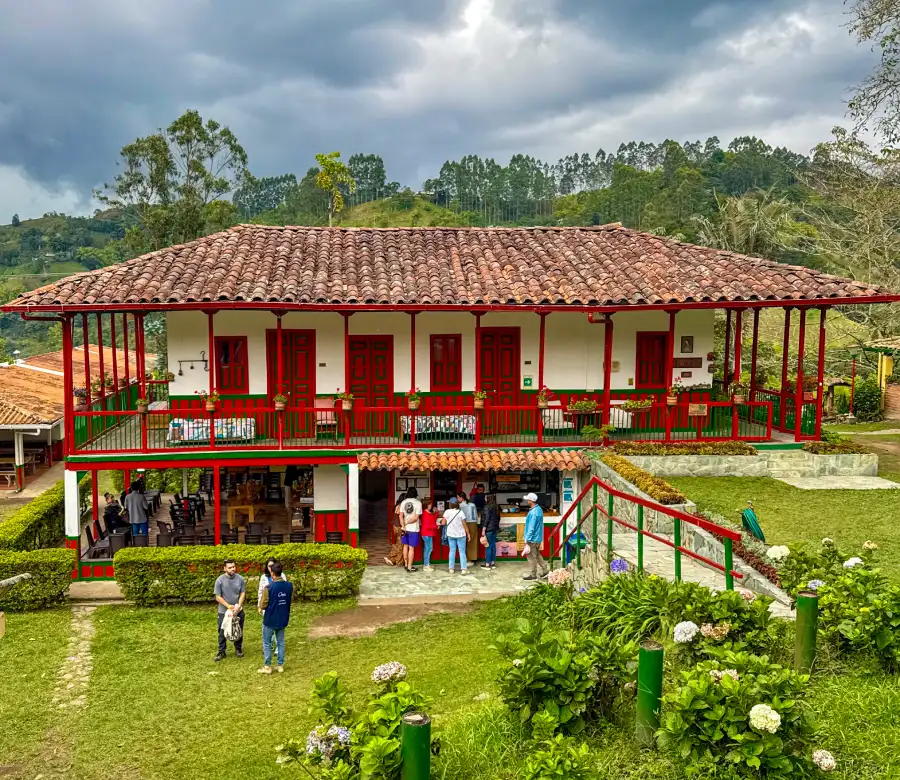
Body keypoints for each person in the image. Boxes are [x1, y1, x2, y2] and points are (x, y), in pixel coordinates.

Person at [258, 561, 293, 674]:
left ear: (272, 573)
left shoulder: (268, 588)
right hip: (283, 618)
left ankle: (267, 666)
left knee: (267, 642)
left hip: (270, 619)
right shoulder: (289, 586)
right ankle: (280, 665)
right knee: (281, 642)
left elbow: (263, 605)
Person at [214, 559, 246, 661]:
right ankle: (221, 651)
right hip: (224, 611)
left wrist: (238, 606)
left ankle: (238, 649)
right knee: (222, 631)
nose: (233, 569)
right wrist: (228, 606)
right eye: (230, 567)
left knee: (238, 629)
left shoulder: (240, 579)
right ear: (224, 569)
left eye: (234, 567)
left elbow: (242, 593)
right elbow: (218, 597)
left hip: (238, 610)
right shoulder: (219, 580)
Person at [522, 493, 548, 581]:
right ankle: (545, 570)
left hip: (532, 538)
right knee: (537, 555)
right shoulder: (539, 509)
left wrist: (527, 538)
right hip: (538, 537)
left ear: (531, 501)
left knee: (531, 557)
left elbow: (531, 527)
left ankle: (533, 575)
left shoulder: (533, 512)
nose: (527, 501)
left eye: (528, 499)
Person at [442, 497, 470, 575]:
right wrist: (468, 533)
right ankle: (463, 569)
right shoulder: (461, 512)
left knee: (452, 551)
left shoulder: (447, 512)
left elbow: (443, 523)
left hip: (451, 534)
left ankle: (451, 568)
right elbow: (464, 524)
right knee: (462, 552)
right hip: (461, 535)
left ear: (450, 504)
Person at [400, 487, 423, 572]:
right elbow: (416, 518)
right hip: (413, 529)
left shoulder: (403, 502)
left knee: (405, 546)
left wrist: (403, 525)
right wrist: (408, 522)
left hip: (404, 529)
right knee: (411, 548)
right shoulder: (418, 503)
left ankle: (406, 564)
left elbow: (400, 516)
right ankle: (410, 567)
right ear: (416, 494)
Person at [384, 493, 407, 566]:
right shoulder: (402, 506)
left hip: (395, 526)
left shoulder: (397, 505)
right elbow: (402, 517)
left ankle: (393, 560)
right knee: (401, 544)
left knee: (399, 542)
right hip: (399, 526)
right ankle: (395, 560)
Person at [480, 494, 501, 569]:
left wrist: (483, 529)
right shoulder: (496, 507)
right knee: (493, 546)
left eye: (485, 497)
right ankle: (493, 563)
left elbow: (487, 519)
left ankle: (487, 564)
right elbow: (499, 518)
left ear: (488, 498)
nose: (484, 498)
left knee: (488, 546)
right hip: (495, 529)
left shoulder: (486, 507)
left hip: (488, 529)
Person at [457, 492, 479, 564]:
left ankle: (466, 559)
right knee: (472, 541)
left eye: (458, 497)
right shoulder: (472, 505)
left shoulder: (459, 506)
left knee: (464, 542)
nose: (457, 499)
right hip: (473, 523)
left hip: (463, 524)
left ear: (462, 498)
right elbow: (475, 515)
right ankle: (472, 559)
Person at [420, 496, 438, 572]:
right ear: (426, 505)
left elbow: (432, 519)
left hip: (427, 533)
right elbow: (428, 525)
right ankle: (426, 565)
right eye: (429, 504)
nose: (431, 505)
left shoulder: (427, 513)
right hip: (427, 533)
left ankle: (427, 564)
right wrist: (436, 526)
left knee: (428, 549)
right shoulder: (426, 514)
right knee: (428, 549)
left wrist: (436, 513)